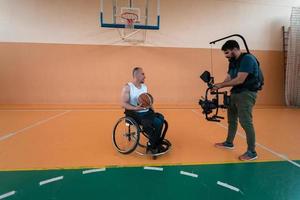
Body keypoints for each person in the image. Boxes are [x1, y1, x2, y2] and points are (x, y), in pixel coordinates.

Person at [212, 40, 260, 161]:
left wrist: (221, 85)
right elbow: (228, 78)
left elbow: (240, 79)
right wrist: (218, 85)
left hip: (246, 93)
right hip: (235, 93)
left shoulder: (247, 59)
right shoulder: (232, 62)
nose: (226, 55)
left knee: (246, 122)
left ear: (234, 49)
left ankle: (252, 152)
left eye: (227, 52)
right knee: (232, 120)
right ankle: (229, 143)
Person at [121, 67, 166, 154]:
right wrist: (135, 108)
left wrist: (152, 109)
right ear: (136, 75)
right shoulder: (127, 87)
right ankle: (151, 145)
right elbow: (123, 104)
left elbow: (147, 101)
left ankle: (155, 142)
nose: (145, 76)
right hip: (134, 113)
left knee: (161, 119)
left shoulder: (144, 87)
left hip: (146, 112)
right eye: (143, 74)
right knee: (156, 123)